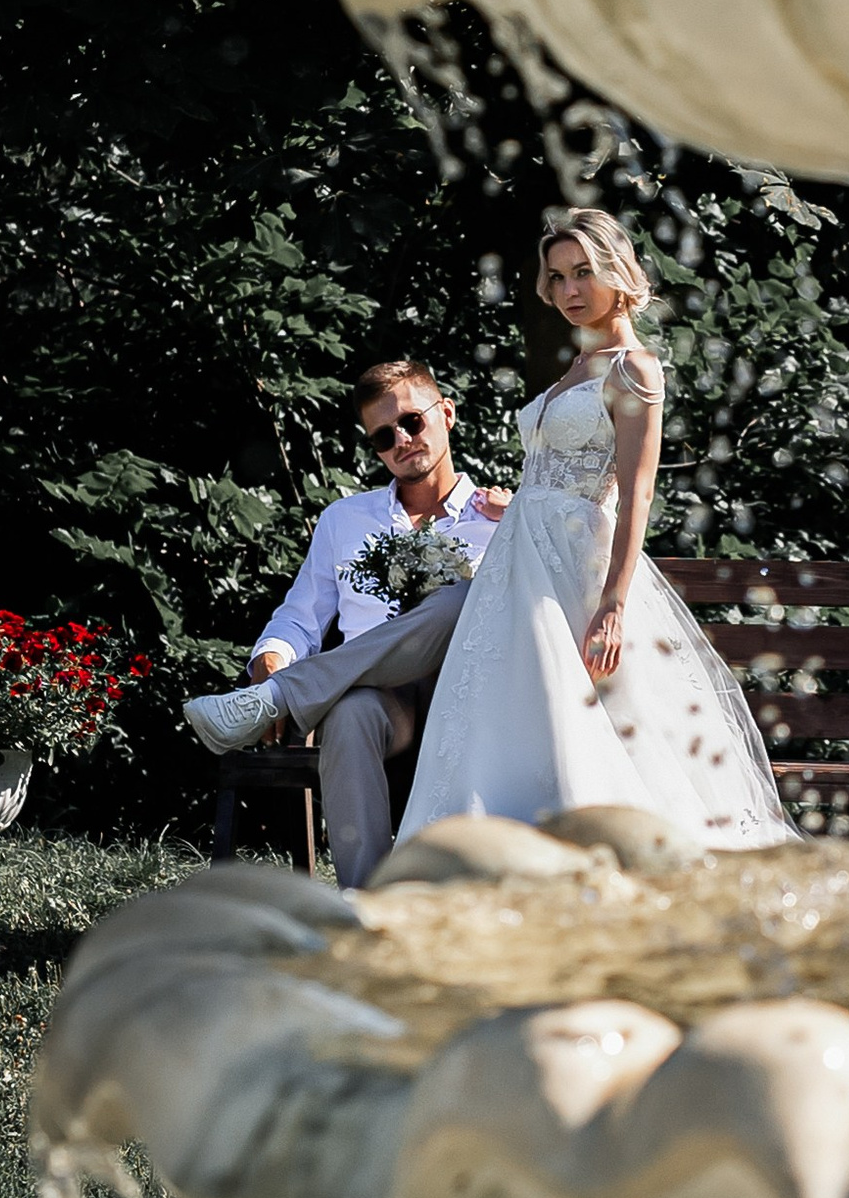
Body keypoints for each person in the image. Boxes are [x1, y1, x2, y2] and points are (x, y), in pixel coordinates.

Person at [392, 206, 791, 854]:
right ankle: (483, 852)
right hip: (519, 559)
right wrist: (516, 504)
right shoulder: (577, 366)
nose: (569, 290)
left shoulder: (634, 368)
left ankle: (597, 849)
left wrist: (613, 605)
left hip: (577, 569)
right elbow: (557, 472)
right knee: (507, 707)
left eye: (583, 272)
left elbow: (636, 494)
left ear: (616, 271)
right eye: (557, 277)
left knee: (582, 713)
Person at [182, 361, 506, 890]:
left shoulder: (502, 516)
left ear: (446, 413)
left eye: (412, 422)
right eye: (383, 436)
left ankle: (283, 697)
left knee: (460, 600)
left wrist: (516, 522)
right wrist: (270, 661)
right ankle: (363, 902)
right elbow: (300, 617)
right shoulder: (346, 519)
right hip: (385, 703)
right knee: (351, 712)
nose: (402, 440)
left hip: (466, 698)